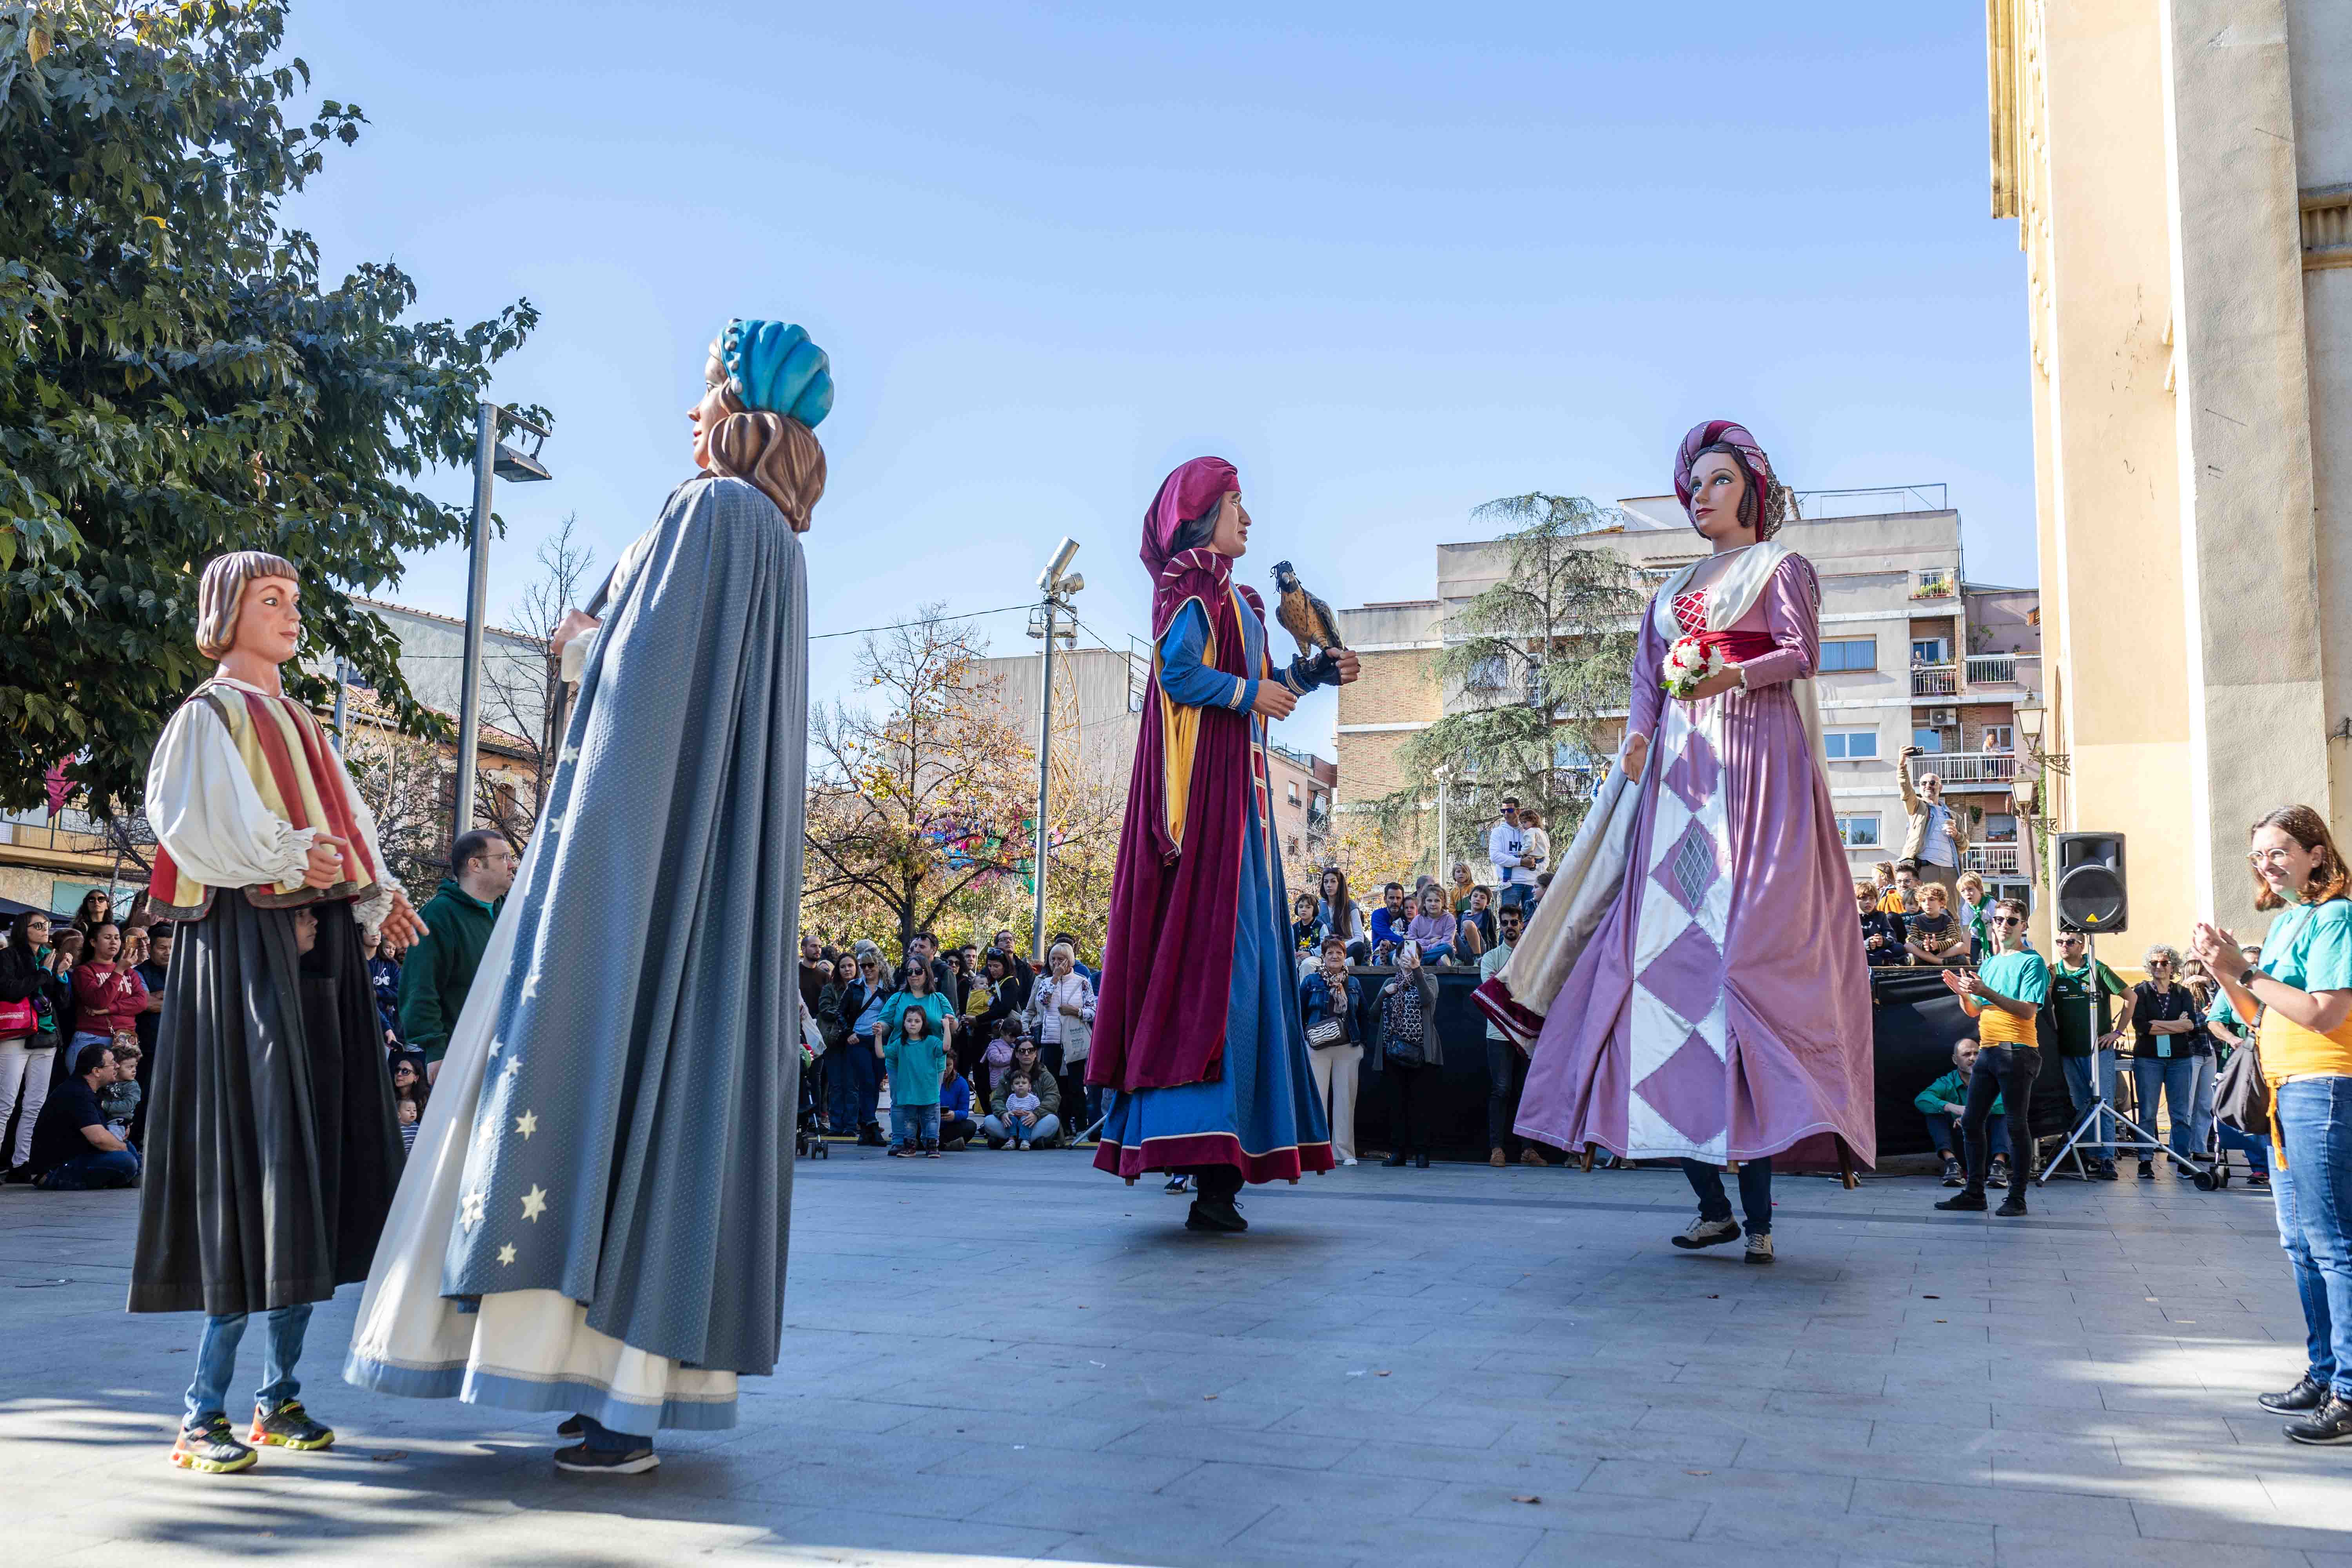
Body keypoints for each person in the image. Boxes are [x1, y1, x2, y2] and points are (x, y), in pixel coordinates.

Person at [345, 317, 831, 1475]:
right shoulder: (772, 540)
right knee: (669, 1098)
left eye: (703, 388)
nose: (687, 411)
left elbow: (632, 710)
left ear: (734, 403)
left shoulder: (707, 513)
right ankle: (615, 1385)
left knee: (583, 1064)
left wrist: (577, 869)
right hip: (698, 878)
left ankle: (603, 1394)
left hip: (627, 860)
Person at [1498, 422, 1873, 1267]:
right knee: (1663, 983)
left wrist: (1728, 673)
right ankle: (1713, 1204)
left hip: (1753, 777)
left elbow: (1800, 650)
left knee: (1747, 978)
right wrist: (1636, 736)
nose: (1701, 494)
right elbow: (1645, 680)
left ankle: (1763, 1208)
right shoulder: (1667, 593)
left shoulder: (1782, 569)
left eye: (1718, 480)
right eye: (1693, 482)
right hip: (1676, 794)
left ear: (1750, 490)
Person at [137, 550, 420, 1477]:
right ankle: (200, 1414)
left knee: (313, 1164)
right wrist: (301, 860)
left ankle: (278, 1398)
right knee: (252, 1162)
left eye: (295, 600)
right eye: (272, 599)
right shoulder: (206, 716)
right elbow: (195, 827)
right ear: (227, 610)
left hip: (320, 955)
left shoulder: (302, 720)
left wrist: (375, 890)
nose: (291, 614)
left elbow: (351, 829)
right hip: (247, 955)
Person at [1088, 456, 1355, 1233]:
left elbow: (1270, 683)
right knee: (1225, 973)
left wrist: (1312, 671)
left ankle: (1222, 1167)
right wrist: (1248, 692)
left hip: (1244, 808)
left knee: (1253, 971)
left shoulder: (1238, 598)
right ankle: (1207, 1162)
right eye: (1237, 502)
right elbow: (1178, 675)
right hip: (1211, 808)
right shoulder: (1191, 585)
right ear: (1203, 512)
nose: (1248, 516)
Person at [2191, 805, 2352, 1443]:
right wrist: (2222, 972)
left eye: (2280, 850)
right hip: (2285, 1093)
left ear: (2317, 853)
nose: (2267, 863)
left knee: (2334, 1243)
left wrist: (2246, 969)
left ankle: (2348, 1392)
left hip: (2324, 1087)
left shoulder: (2337, 916)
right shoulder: (2288, 923)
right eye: (2258, 855)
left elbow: (2323, 1012)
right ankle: (2323, 1372)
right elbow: (2260, 1018)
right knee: (2301, 1243)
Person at [1935, 897, 2046, 1217]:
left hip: (2018, 1051)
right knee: (1971, 1122)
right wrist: (1963, 994)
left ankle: (2017, 1198)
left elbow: (2027, 1011)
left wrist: (1986, 993)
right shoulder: (1991, 962)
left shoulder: (2032, 962)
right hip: (1990, 1049)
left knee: (2015, 1125)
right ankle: (1974, 1194)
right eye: (1998, 920)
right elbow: (1974, 1010)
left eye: (2012, 921)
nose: (2003, 926)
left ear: (2023, 925)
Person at [396, 829, 516, 1082]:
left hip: (510, 1054)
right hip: (461, 1059)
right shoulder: (439, 914)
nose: (512, 864)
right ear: (475, 865)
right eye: (503, 857)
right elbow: (420, 988)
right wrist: (436, 1051)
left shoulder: (510, 911)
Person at [2047, 929, 2130, 1180]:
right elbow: (2044, 1005)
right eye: (2060, 942)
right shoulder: (2054, 972)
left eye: (2070, 942)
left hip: (2098, 1051)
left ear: (2082, 945)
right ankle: (2089, 1155)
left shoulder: (2097, 969)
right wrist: (2050, 980)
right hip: (2068, 1050)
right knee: (2081, 1103)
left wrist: (2117, 1032)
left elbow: (2131, 997)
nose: (2064, 946)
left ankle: (2106, 1158)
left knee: (2103, 1102)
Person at [2121, 943, 2207, 1176]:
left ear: (2173, 967)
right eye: (2155, 963)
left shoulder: (2183, 993)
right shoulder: (2140, 992)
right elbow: (2141, 1026)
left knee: (2180, 1113)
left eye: (2164, 963)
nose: (2159, 967)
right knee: (2148, 1111)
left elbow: (2190, 1025)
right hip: (2148, 1058)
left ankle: (2182, 1160)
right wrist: (2175, 1026)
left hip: (2179, 1059)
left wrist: (2160, 1025)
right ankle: (2145, 1161)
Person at [28, 1040, 141, 1191]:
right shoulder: (78, 1094)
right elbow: (99, 1139)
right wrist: (121, 1147)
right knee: (125, 1159)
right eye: (112, 1063)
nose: (118, 1066)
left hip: (75, 1157)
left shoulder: (87, 1090)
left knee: (126, 1147)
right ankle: (135, 1177)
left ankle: (139, 1178)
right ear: (96, 1071)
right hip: (52, 1172)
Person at [0, 910, 60, 1179]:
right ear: (24, 929)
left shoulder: (49, 956)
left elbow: (64, 1002)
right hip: (16, 1034)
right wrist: (45, 972)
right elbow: (11, 990)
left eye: (47, 925)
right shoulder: (9, 956)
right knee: (5, 1103)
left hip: (46, 1037)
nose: (45, 929)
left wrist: (61, 977)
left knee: (35, 1103)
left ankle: (21, 1163)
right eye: (39, 925)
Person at [1373, 941, 1442, 1168]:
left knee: (1421, 1104)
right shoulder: (1389, 983)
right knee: (1396, 1105)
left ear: (1420, 958)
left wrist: (1416, 971)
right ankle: (1397, 1152)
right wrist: (1384, 994)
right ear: (1397, 957)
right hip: (1393, 1052)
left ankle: (1422, 1153)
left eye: (1413, 954)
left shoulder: (1429, 979)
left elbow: (1428, 1001)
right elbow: (1373, 1015)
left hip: (1420, 1052)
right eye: (1404, 953)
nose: (1408, 957)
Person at [1298, 937, 1363, 1167]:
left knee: (1346, 1101)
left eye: (1339, 953)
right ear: (1323, 957)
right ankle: (1318, 1152)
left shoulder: (1354, 983)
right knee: (1318, 1100)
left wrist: (1361, 1045)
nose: (1335, 956)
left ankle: (1344, 1152)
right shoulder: (1311, 982)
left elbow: (1363, 1014)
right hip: (1318, 1047)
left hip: (1347, 1047)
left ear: (1345, 956)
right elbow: (1298, 1011)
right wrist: (1305, 1037)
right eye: (1330, 953)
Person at [1916, 1040, 2008, 1187]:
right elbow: (1922, 1099)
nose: (1972, 1058)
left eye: (1977, 1054)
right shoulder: (1948, 1081)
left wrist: (1971, 1115)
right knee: (1935, 1112)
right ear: (1955, 1060)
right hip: (1961, 1146)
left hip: (1987, 1148)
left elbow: (2006, 1101)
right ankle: (1952, 1165)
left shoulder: (1993, 1079)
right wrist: (1952, 1107)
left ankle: (1999, 1166)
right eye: (1967, 1055)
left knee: (2003, 1115)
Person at [1026, 942, 1095, 1134]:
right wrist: (1055, 979)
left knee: (1076, 1084)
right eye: (1053, 959)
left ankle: (1081, 1125)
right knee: (1053, 1082)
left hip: (1074, 1040)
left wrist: (1077, 1012)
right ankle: (1058, 1126)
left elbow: (1094, 1011)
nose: (1057, 963)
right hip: (1051, 1039)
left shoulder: (1082, 981)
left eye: (1061, 960)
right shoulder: (1046, 981)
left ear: (1070, 960)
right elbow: (1042, 1003)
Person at [69, 922, 149, 1071]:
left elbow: (142, 1003)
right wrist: (119, 970)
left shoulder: (130, 972)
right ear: (93, 942)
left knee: (120, 1092)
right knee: (89, 1090)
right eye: (108, 937)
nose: (114, 942)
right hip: (93, 1039)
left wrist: (108, 1010)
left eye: (117, 938)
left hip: (125, 1040)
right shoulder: (84, 971)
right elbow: (99, 1002)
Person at [830, 953, 891, 1145]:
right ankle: (872, 1124)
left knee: (874, 1083)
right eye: (863, 966)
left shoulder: (889, 989)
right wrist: (849, 1033)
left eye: (871, 966)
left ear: (879, 966)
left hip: (880, 1041)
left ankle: (866, 1128)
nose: (867, 970)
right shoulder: (855, 986)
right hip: (858, 1040)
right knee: (865, 1081)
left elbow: (893, 1015)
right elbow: (840, 1012)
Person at [1897, 748, 1969, 898]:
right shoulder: (1917, 807)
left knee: (1950, 912)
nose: (1928, 786)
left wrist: (1956, 835)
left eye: (1932, 783)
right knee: (1924, 907)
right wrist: (1902, 765)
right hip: (1925, 866)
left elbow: (1964, 846)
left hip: (1950, 868)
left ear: (1940, 787)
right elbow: (1906, 792)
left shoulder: (1954, 816)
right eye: (1923, 783)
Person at [882, 1007, 946, 1158]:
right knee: (910, 1119)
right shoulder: (900, 1043)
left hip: (928, 1090)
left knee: (930, 1118)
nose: (913, 1024)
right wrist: (879, 1036)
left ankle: (932, 1147)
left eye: (917, 1021)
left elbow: (946, 1048)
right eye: (909, 1021)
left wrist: (947, 1028)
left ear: (923, 1023)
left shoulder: (932, 1041)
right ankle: (910, 1147)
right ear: (903, 1023)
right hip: (909, 1091)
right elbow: (881, 1053)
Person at [984, 1038, 1060, 1148]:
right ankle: (1028, 1141)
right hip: (1011, 1122)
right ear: (1016, 1054)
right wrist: (1003, 1114)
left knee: (1053, 1121)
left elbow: (1053, 1099)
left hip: (1034, 1122)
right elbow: (997, 1100)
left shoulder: (1045, 1076)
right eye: (1022, 1051)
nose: (1026, 1054)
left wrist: (1036, 1115)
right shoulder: (1008, 1075)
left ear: (1036, 1054)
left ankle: (1013, 1141)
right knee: (989, 1121)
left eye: (1030, 1051)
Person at [1904, 883, 1971, 968]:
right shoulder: (1917, 920)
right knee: (1907, 946)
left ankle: (1930, 961)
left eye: (1932, 900)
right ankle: (1940, 962)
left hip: (1943, 952)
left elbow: (1955, 938)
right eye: (1924, 901)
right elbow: (1911, 938)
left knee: (1962, 946)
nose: (1927, 903)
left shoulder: (1947, 920)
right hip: (1924, 952)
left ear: (1942, 902)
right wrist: (1923, 944)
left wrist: (1938, 945)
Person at [1488, 800, 1537, 913]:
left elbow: (1543, 853)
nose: (1506, 814)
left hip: (1532, 882)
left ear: (1519, 811)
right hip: (1511, 884)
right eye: (1503, 811)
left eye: (1510, 810)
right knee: (1509, 921)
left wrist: (1538, 870)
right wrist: (1521, 862)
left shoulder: (1529, 831)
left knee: (1531, 923)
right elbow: (1495, 856)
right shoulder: (1498, 832)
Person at [358, 927, 401, 1051]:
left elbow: (400, 994)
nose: (375, 934)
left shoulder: (392, 964)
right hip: (361, 1025)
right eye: (369, 929)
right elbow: (363, 999)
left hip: (387, 1031)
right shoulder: (354, 963)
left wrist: (378, 994)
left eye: (377, 929)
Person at [1319, 867, 1368, 964]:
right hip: (1326, 948)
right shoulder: (1319, 906)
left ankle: (1339, 964)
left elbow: (1359, 938)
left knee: (1360, 948)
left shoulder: (1351, 906)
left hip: (1345, 948)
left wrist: (1340, 946)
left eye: (1333, 882)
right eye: (1326, 882)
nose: (1329, 885)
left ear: (1340, 884)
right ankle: (1338, 963)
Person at [100, 1036, 143, 1145]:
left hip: (119, 1121)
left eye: (135, 1067)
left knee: (113, 1141)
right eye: (130, 1067)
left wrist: (106, 1106)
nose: (134, 1071)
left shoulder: (133, 1086)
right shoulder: (110, 1081)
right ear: (117, 1067)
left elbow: (128, 1105)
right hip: (105, 1118)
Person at [1405, 883, 1458, 967]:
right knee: (1405, 947)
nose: (1433, 904)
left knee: (1448, 948)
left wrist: (1423, 948)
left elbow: (1447, 942)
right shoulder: (1417, 919)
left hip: (1440, 952)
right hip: (1422, 952)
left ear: (1443, 902)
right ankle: (1436, 962)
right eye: (1430, 901)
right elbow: (1411, 942)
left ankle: (1418, 962)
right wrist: (1429, 942)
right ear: (1425, 903)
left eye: (1437, 901)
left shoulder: (1449, 919)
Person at [1858, 881, 1908, 967]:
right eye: (1863, 898)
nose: (1868, 902)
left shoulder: (1881, 915)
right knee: (1857, 955)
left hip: (1879, 951)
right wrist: (1866, 944)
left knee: (1899, 948)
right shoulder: (1851, 918)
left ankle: (1887, 961)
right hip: (1862, 952)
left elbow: (1892, 938)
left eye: (1872, 899)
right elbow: (1849, 944)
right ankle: (1887, 962)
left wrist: (1883, 941)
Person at [937, 1051, 978, 1151]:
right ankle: (943, 1145)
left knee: (971, 1126)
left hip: (948, 1126)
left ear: (953, 1065)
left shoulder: (961, 1083)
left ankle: (936, 1144)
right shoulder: (927, 1079)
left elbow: (964, 1112)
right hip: (929, 1123)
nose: (945, 1069)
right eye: (941, 1065)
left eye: (949, 1065)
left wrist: (955, 1115)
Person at [389, 1056, 428, 1154]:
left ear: (416, 1077)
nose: (399, 1074)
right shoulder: (387, 1097)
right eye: (397, 1070)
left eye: (405, 1071)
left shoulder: (427, 1099)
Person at [1367, 882, 1412, 961]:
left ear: (1403, 900)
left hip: (1407, 952)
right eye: (1391, 898)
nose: (1395, 902)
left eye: (1398, 898)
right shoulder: (1378, 915)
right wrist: (1409, 942)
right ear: (1385, 899)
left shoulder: (1407, 914)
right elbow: (1388, 935)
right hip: (1381, 957)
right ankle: (1397, 958)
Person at [999, 1072, 1046, 1149]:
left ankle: (1025, 1141)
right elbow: (1008, 1110)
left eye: (1024, 1083)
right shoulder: (1011, 1098)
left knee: (1026, 1119)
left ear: (1030, 1087)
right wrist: (1011, 1113)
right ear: (1012, 1087)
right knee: (1010, 1119)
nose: (1021, 1085)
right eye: (1017, 1083)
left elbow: (1037, 1111)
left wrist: (1029, 1114)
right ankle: (1011, 1140)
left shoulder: (1034, 1099)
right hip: (1014, 1121)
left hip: (1026, 1121)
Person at [1290, 893, 1325, 958]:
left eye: (1308, 907)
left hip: (1315, 957)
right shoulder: (1294, 928)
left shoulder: (1321, 926)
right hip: (1298, 957)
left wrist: (1310, 953)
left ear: (1315, 909)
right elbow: (1291, 944)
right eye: (1301, 907)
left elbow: (1325, 946)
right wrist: (1294, 953)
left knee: (1308, 964)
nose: (1304, 910)